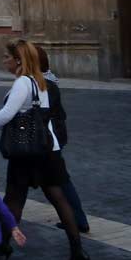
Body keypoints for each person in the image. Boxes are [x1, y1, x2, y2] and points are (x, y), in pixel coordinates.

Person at [0, 39, 89, 260]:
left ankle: (0, 248)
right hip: (48, 150)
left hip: (27, 152)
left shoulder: (23, 82)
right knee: (58, 198)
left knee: (14, 200)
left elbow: (6, 115)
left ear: (19, 60)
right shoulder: (41, 82)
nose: (4, 61)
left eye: (6, 57)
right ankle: (78, 253)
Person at [36, 47, 90, 235]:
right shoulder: (47, 81)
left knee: (57, 182)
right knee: (57, 181)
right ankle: (77, 221)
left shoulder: (43, 84)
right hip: (53, 137)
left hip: (48, 140)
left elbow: (40, 114)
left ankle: (77, 222)